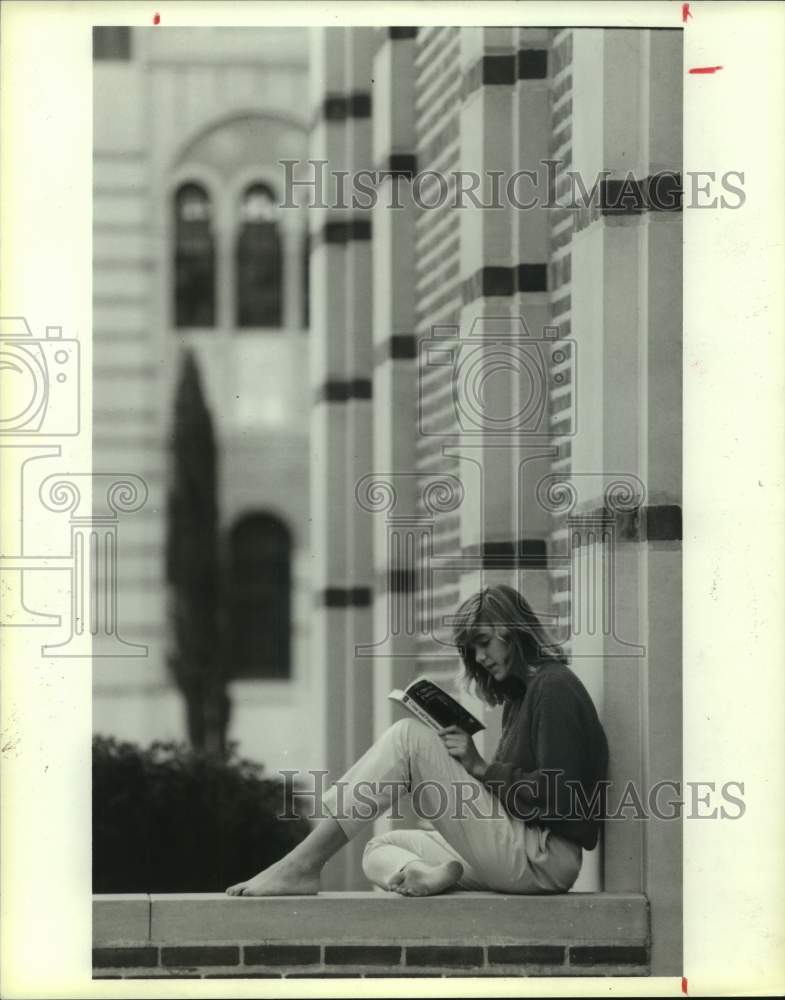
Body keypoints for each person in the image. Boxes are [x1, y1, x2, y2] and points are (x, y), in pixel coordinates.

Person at [226, 584, 609, 897]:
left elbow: (563, 797)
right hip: (520, 848)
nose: (479, 657)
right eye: (471, 650)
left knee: (409, 738)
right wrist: (471, 770)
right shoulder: (520, 696)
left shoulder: (554, 686)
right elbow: (515, 795)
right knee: (380, 849)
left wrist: (480, 767)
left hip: (545, 857)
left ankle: (303, 864)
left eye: (483, 643)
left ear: (511, 631)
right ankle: (422, 874)